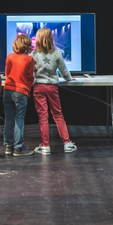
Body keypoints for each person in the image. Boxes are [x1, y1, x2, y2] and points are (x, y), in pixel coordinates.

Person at [31, 27, 77, 155]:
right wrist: (68, 78)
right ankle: (67, 143)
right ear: (51, 39)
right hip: (52, 87)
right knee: (58, 114)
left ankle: (45, 147)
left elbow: (30, 73)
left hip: (38, 87)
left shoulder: (33, 55)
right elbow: (64, 70)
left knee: (43, 117)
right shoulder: (57, 54)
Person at [3, 34, 35, 156]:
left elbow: (7, 73)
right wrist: (28, 89)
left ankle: (8, 146)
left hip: (7, 91)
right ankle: (18, 148)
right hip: (21, 92)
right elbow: (30, 78)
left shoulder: (9, 56)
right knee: (19, 119)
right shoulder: (30, 59)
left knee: (9, 119)